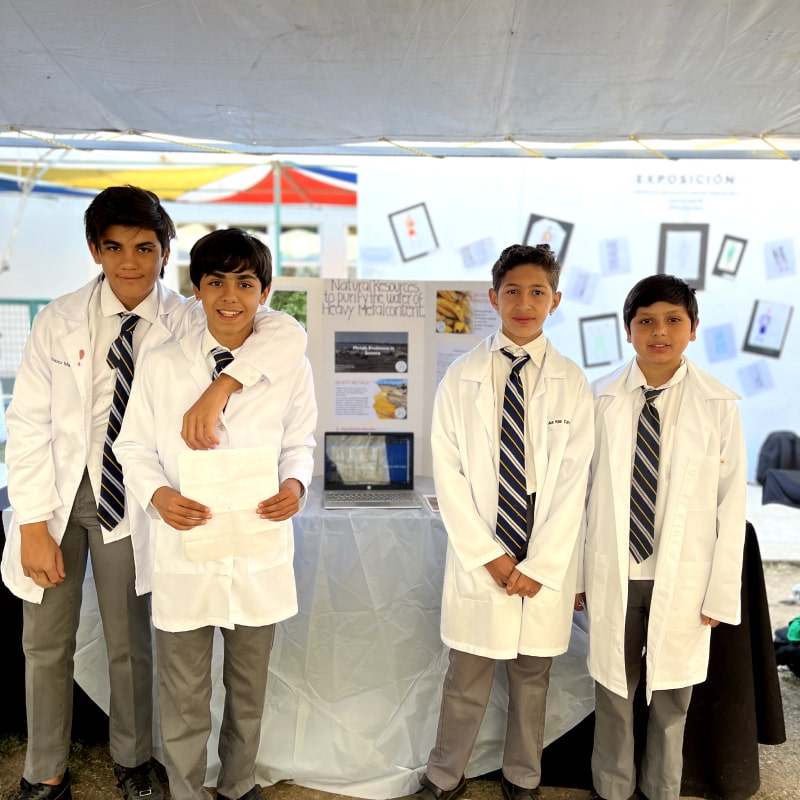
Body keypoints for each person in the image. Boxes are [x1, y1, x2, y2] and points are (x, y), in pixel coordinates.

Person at [1, 187, 307, 800]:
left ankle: (134, 760)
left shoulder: (190, 312)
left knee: (129, 639)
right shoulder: (57, 319)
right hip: (62, 491)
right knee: (45, 640)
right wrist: (32, 520)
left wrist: (220, 389)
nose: (130, 262)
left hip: (131, 498)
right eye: (114, 247)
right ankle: (45, 770)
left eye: (145, 247)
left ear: (167, 253)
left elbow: (282, 332)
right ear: (95, 251)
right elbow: (28, 421)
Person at [113, 227, 316, 800]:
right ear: (196, 289)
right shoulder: (162, 363)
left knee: (248, 687)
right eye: (216, 282)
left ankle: (238, 785)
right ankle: (186, 790)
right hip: (186, 546)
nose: (230, 296)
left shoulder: (289, 362)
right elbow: (132, 446)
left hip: (256, 544)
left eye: (245, 283)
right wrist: (158, 496)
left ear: (265, 292)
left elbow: (300, 442)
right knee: (184, 691)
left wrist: (295, 484)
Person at [415, 244, 594, 800]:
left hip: (543, 554)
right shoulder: (461, 376)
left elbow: (575, 482)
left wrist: (540, 563)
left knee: (532, 681)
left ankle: (523, 779)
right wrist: (488, 554)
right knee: (466, 679)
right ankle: (444, 778)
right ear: (493, 298)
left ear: (555, 301)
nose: (524, 302)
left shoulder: (571, 381)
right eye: (512, 291)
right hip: (483, 552)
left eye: (538, 292)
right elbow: (448, 474)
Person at [580, 274, 747, 800]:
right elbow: (579, 493)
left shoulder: (718, 404)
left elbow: (731, 505)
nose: (660, 332)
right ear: (627, 329)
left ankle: (661, 790)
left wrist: (721, 590)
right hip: (614, 568)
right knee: (613, 688)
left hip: (686, 574)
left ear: (693, 329)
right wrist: (577, 575)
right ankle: (612, 788)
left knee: (674, 695)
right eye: (646, 321)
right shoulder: (599, 398)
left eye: (674, 320)